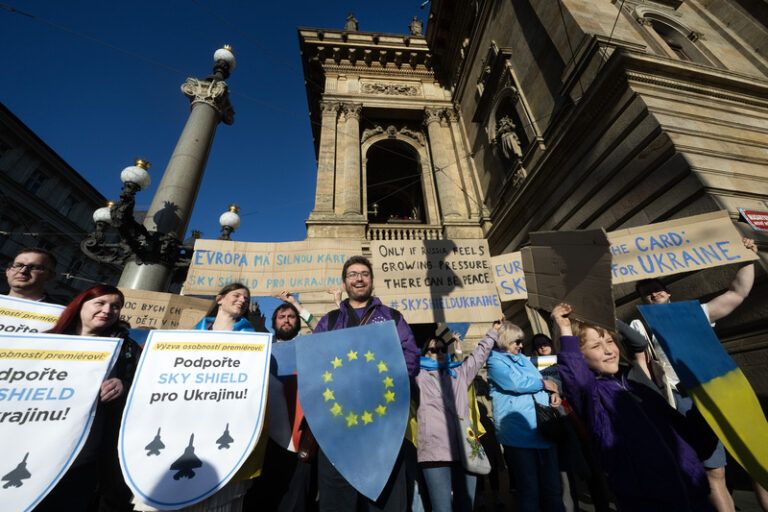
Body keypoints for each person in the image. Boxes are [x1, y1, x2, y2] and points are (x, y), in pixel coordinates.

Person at [631, 237, 758, 512]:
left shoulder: (695, 313)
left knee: (756, 461)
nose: (653, 294)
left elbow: (737, 294)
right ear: (643, 301)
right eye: (647, 293)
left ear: (668, 293)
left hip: (723, 392)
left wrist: (747, 257)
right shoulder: (643, 332)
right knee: (715, 471)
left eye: (657, 289)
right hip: (686, 401)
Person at [553, 303, 714, 512]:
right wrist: (565, 329)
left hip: (694, 491)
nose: (608, 351)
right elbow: (576, 377)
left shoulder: (638, 386)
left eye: (609, 341)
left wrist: (704, 411)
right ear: (579, 356)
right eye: (595, 346)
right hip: (648, 501)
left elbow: (685, 433)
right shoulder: (592, 394)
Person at [312, 255, 420, 511]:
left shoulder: (392, 317)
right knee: (339, 501)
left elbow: (411, 358)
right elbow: (314, 361)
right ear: (344, 282)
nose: (359, 279)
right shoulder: (329, 321)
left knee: (385, 499)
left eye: (364, 274)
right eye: (352, 274)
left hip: (382, 426)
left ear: (371, 280)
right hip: (338, 427)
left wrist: (380, 382)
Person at [35, 285, 141, 512]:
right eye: (100, 303)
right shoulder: (46, 341)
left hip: (87, 459)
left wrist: (125, 386)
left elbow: (144, 392)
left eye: (116, 306)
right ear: (81, 305)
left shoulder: (128, 349)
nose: (108, 310)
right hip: (38, 450)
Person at [414, 322, 496, 511]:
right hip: (434, 453)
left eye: (443, 349)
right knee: (442, 508)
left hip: (465, 450)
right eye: (433, 350)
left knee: (466, 507)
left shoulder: (459, 373)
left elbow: (478, 356)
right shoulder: (419, 376)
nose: (439, 352)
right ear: (425, 353)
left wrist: (493, 331)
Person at [486, 321, 565, 512]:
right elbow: (516, 383)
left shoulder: (523, 358)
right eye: (517, 341)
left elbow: (539, 382)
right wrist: (543, 384)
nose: (521, 345)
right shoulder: (494, 361)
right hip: (519, 436)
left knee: (553, 490)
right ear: (505, 340)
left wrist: (553, 394)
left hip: (543, 430)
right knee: (529, 491)